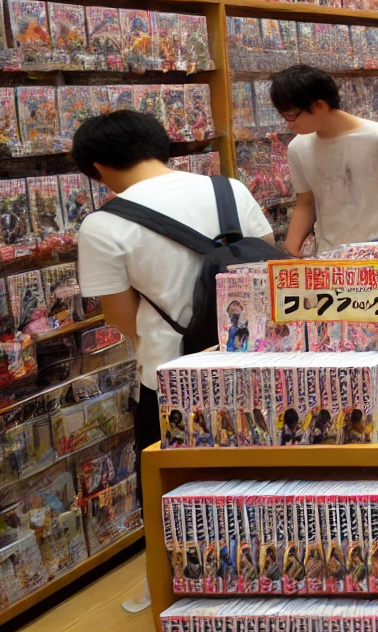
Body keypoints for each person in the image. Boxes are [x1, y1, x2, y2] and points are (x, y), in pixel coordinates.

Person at [72, 110, 273, 613]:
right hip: (260, 359)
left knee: (176, 488)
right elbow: (267, 261)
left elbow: (121, 315)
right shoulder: (229, 189)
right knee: (267, 471)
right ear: (161, 145)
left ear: (98, 167)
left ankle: (184, 588)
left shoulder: (103, 224)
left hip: (170, 378)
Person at [269, 65, 378, 254]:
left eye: (291, 116)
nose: (289, 124)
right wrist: (291, 250)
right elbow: (305, 202)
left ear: (320, 105)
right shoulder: (297, 148)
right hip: (331, 257)